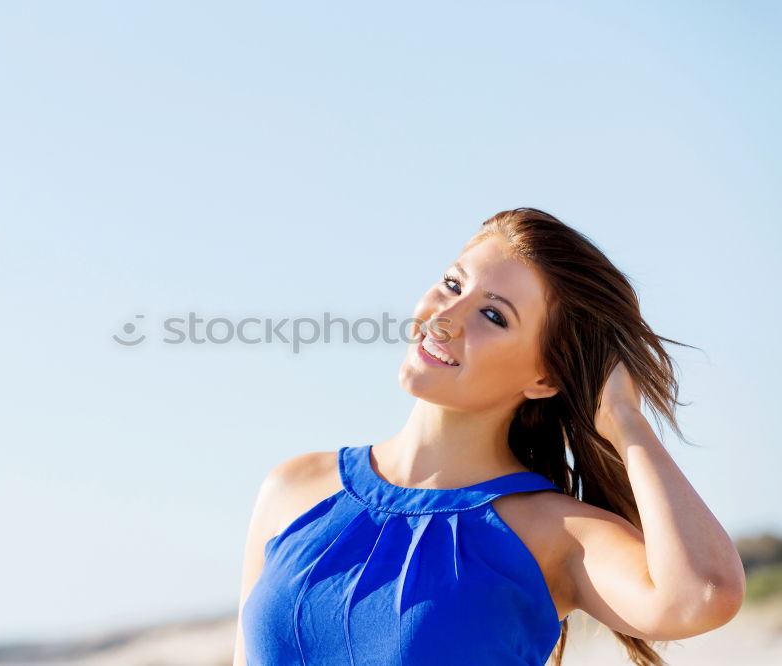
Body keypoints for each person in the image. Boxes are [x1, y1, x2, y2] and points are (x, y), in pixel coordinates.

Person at [231, 207, 746, 666]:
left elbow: (703, 594)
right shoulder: (294, 488)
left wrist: (625, 423)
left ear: (544, 378)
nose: (446, 319)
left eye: (493, 315)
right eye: (453, 285)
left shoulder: (553, 534)